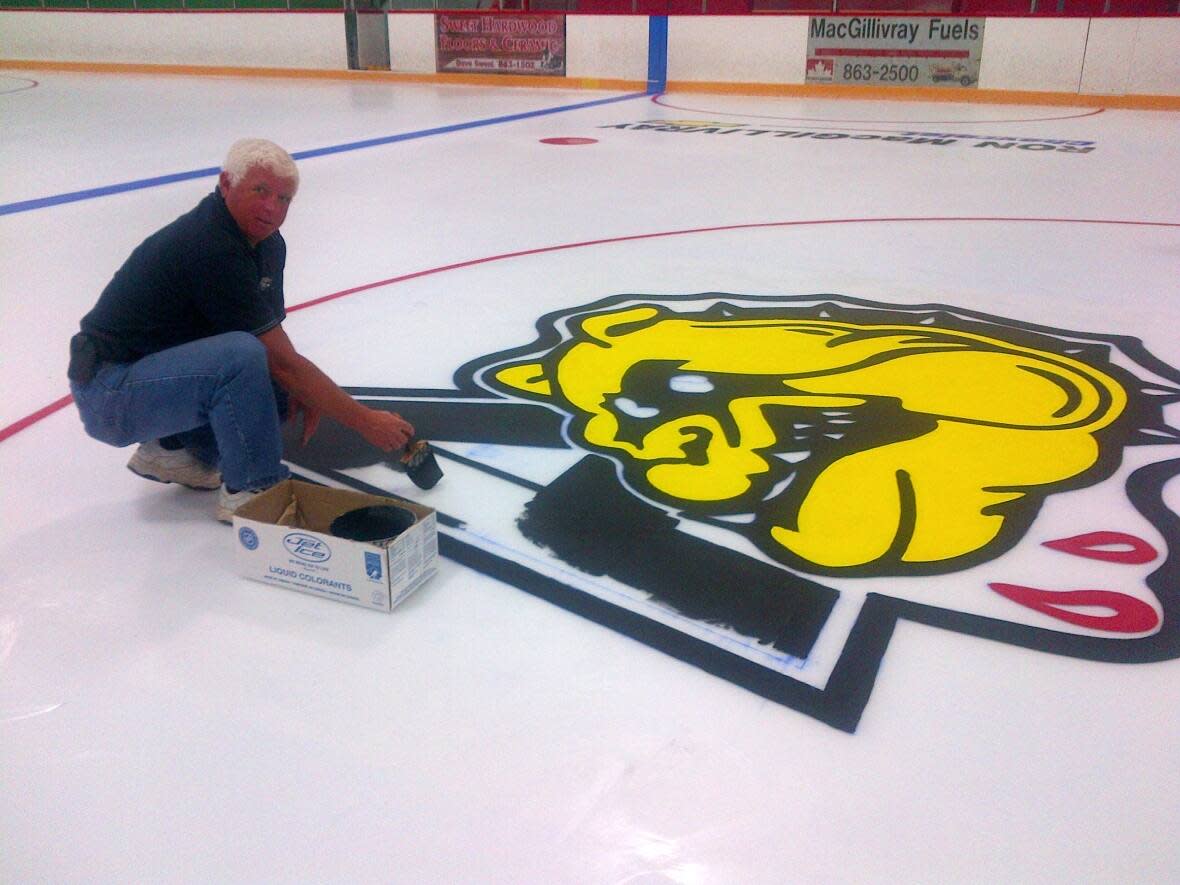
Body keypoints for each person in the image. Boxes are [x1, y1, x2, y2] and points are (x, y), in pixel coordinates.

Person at [67, 138, 414, 522]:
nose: (271, 208)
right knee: (243, 356)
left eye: (283, 199)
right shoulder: (208, 245)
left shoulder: (267, 244)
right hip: (111, 392)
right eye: (260, 191)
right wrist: (366, 421)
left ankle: (174, 451)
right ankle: (253, 492)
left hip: (153, 379)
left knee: (277, 386)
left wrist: (299, 388)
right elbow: (276, 359)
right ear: (226, 183)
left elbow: (275, 340)